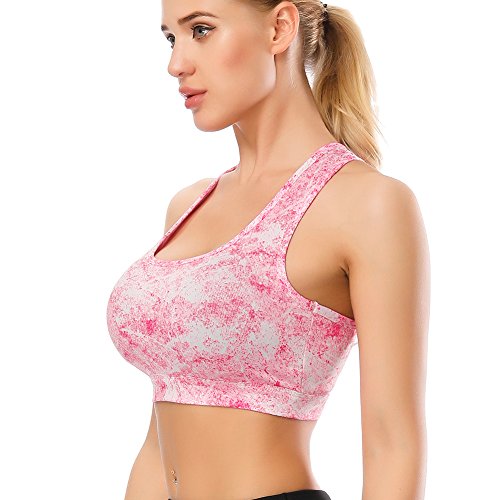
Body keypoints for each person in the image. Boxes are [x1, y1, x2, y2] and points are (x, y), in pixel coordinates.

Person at [106, 1, 429, 499]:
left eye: (201, 30)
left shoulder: (367, 205)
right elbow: (159, 439)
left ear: (280, 28)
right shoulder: (188, 206)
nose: (176, 64)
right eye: (171, 38)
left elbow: (393, 443)